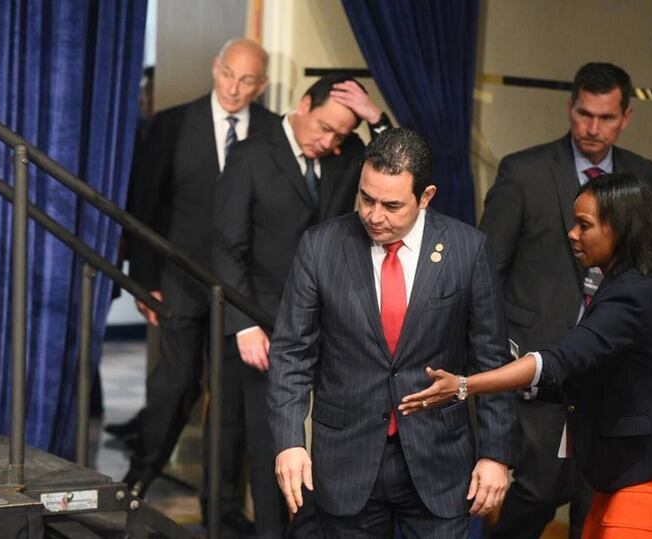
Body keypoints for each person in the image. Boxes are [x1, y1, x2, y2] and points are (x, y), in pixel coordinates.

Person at [402, 173, 652, 538]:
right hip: (638, 476)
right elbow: (590, 376)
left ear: (620, 228)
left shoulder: (632, 293)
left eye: (584, 225)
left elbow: (562, 360)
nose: (572, 233)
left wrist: (464, 385)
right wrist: (519, 381)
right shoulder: (628, 283)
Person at [478, 61, 652, 539]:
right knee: (539, 489)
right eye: (584, 114)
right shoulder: (525, 171)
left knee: (595, 496)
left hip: (612, 372)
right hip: (540, 359)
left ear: (626, 117)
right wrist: (483, 359)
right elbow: (487, 269)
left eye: (605, 117)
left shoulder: (646, 178)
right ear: (570, 108)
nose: (592, 128)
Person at [266, 128, 518, 538]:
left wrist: (495, 454)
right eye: (366, 198)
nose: (374, 215)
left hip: (439, 460)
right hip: (346, 460)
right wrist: (289, 441)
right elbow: (292, 353)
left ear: (426, 196)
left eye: (391, 205)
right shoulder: (320, 247)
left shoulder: (467, 250)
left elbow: (490, 358)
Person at [211, 73, 391, 538]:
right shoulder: (251, 155)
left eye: (341, 135)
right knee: (270, 441)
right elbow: (227, 248)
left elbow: (397, 167)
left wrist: (376, 120)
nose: (329, 142)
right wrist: (244, 324)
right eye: (325, 127)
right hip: (262, 323)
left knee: (330, 436)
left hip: (332, 320)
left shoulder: (348, 154)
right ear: (304, 104)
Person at [118, 38, 276, 534]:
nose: (234, 88)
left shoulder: (272, 130)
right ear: (215, 68)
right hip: (179, 280)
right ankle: (135, 484)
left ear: (261, 85)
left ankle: (220, 511)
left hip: (241, 292)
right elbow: (144, 204)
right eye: (228, 74)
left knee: (229, 403)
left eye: (246, 80)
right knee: (176, 384)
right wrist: (145, 281)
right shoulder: (172, 123)